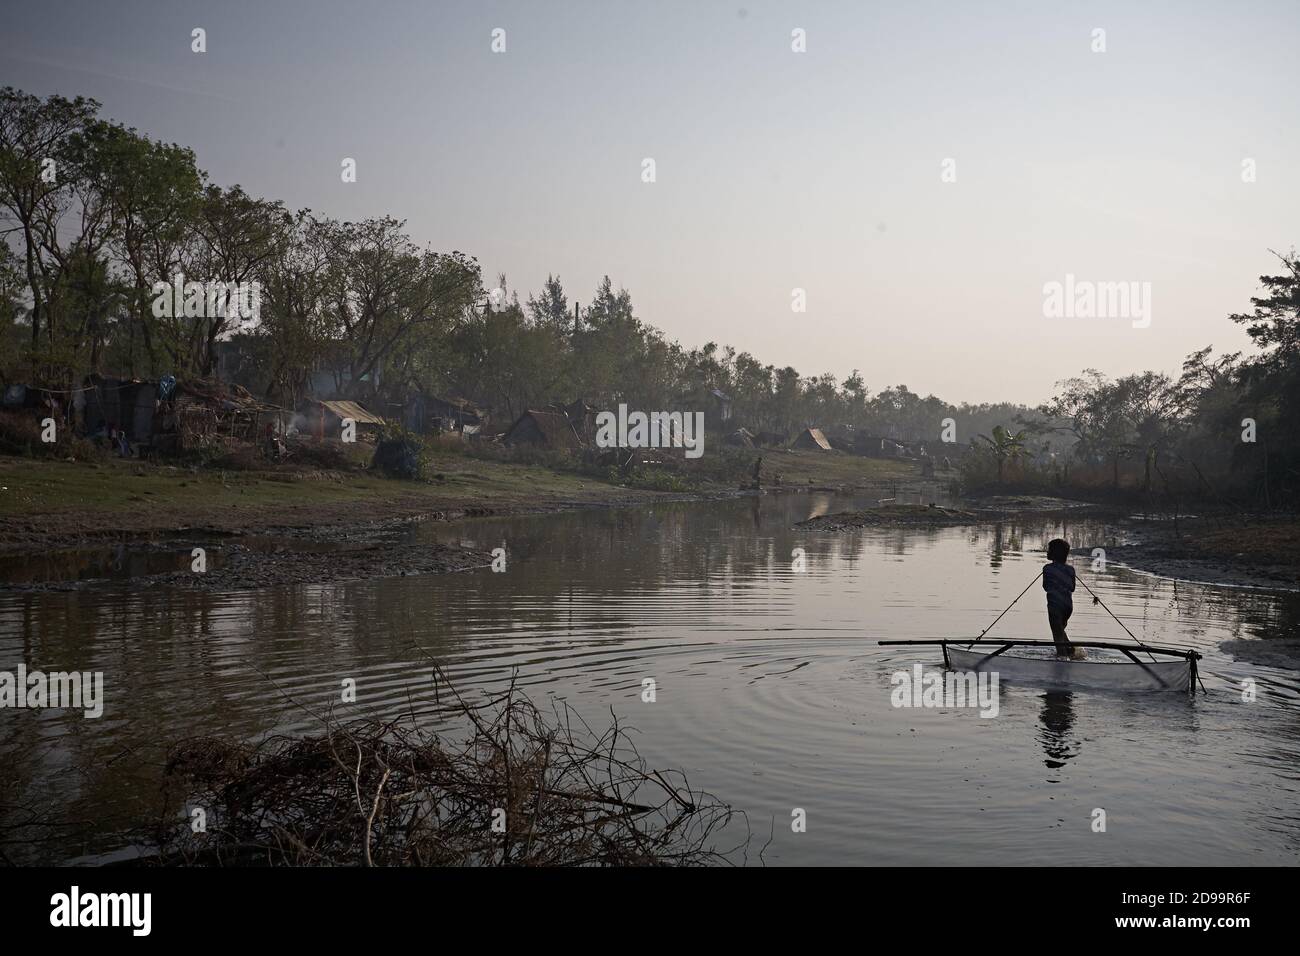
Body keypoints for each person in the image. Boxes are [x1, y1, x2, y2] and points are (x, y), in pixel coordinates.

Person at [1043, 539, 1083, 659]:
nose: (1047, 551)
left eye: (1049, 549)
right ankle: (1072, 651)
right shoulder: (1070, 569)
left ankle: (1062, 659)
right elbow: (1072, 588)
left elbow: (1046, 587)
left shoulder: (1047, 568)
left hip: (1055, 605)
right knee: (1060, 630)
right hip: (1067, 606)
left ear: (1054, 553)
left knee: (1056, 633)